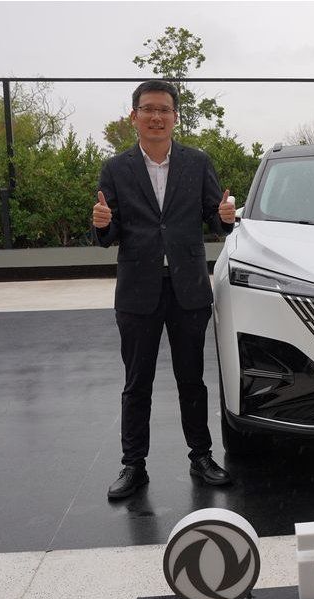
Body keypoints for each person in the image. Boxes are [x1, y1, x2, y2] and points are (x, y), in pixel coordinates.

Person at [91, 80, 237, 499]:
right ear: (134, 115)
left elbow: (216, 219)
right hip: (138, 291)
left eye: (164, 110)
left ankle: (201, 457)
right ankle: (133, 465)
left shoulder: (197, 162)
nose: (156, 116)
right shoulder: (116, 169)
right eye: (148, 109)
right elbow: (108, 231)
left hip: (187, 289)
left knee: (192, 380)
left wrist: (225, 215)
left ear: (175, 116)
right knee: (137, 382)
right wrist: (101, 225)